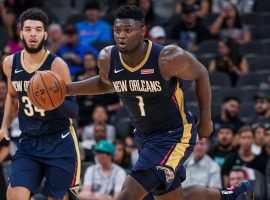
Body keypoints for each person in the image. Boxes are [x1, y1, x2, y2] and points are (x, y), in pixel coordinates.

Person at [66, 5, 253, 200]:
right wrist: (67, 89)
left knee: (128, 195)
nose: (121, 35)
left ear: (142, 31)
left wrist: (206, 120)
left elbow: (201, 74)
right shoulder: (108, 57)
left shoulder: (167, 58)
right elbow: (105, 84)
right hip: (144, 136)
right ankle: (234, 195)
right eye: (117, 30)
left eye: (128, 30)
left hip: (174, 135)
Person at [0, 8, 80, 200]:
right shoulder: (10, 63)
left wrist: (50, 100)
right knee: (14, 195)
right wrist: (4, 126)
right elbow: (12, 96)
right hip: (29, 141)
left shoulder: (56, 65)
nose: (33, 34)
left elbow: (73, 110)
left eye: (38, 29)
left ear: (45, 34)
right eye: (28, 29)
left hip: (59, 141)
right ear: (21, 33)